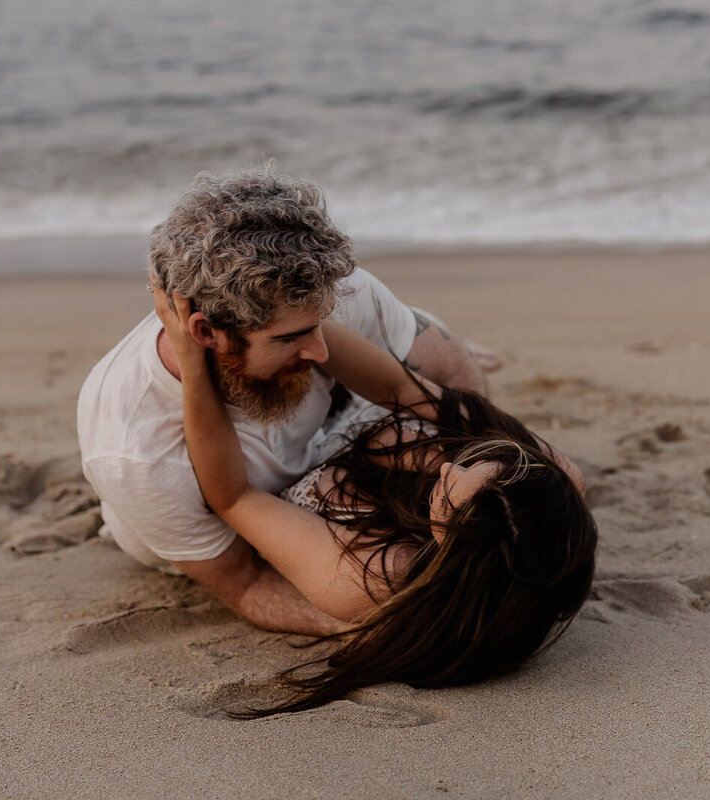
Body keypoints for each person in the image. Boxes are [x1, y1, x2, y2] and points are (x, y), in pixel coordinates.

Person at [77, 168, 494, 636]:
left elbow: (452, 379)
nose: (321, 350)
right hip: (208, 537)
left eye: (323, 323)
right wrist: (381, 626)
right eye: (292, 337)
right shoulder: (133, 450)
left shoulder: (315, 296)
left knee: (435, 346)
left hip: (319, 449)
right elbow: (248, 583)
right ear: (205, 334)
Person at [152, 285, 597, 716]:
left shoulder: (373, 575)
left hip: (276, 466)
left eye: (447, 495)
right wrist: (297, 320)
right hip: (352, 417)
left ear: (450, 551)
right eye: (475, 462)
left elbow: (232, 497)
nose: (447, 468)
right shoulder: (550, 485)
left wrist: (192, 364)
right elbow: (405, 391)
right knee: (450, 376)